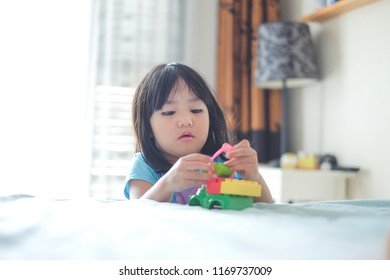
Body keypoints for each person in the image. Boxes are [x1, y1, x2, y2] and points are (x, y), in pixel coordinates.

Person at [124, 62, 273, 204]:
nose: (186, 121)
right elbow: (139, 213)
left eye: (196, 110)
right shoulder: (144, 165)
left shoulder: (224, 163)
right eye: (169, 112)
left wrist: (254, 177)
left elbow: (267, 210)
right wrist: (168, 183)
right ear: (148, 128)